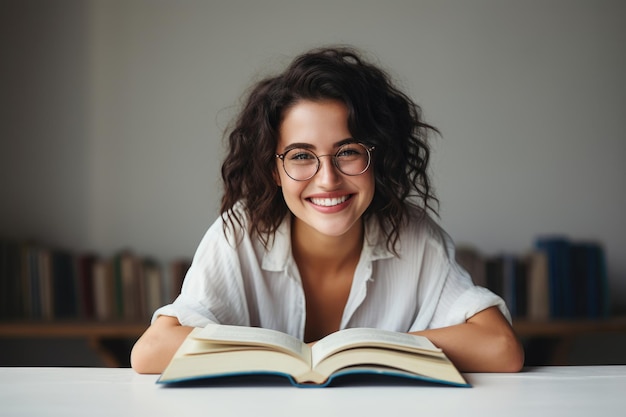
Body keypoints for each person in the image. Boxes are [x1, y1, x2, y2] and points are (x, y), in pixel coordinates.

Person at [131, 46, 524, 374]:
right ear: (274, 169)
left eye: (348, 152)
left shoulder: (414, 235)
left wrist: (348, 350)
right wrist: (294, 356)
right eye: (302, 156)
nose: (328, 180)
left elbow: (499, 347)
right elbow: (152, 351)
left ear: (379, 155)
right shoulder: (239, 233)